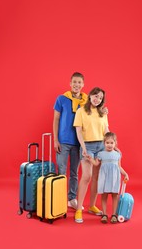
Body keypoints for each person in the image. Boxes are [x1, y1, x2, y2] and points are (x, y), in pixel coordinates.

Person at [73, 87, 109, 223]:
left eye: (100, 98)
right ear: (90, 96)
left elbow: (106, 130)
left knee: (96, 177)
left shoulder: (103, 113)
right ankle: (78, 210)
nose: (97, 99)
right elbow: (78, 131)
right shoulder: (81, 111)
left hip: (101, 145)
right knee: (86, 176)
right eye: (95, 96)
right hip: (87, 146)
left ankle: (92, 206)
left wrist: (112, 145)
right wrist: (83, 148)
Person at [53, 72, 87, 210]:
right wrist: (56, 140)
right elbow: (56, 119)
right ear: (70, 83)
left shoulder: (86, 102)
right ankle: (59, 198)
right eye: (74, 82)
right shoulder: (61, 99)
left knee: (74, 172)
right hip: (63, 141)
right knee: (61, 171)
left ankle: (71, 198)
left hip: (79, 142)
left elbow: (95, 115)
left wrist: (104, 110)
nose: (77, 85)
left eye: (79, 82)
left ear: (83, 85)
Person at [87, 132, 129, 224]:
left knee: (115, 195)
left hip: (114, 178)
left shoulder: (117, 154)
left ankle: (114, 215)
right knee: (104, 195)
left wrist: (125, 174)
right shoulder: (101, 154)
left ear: (115, 143)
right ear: (104, 143)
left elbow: (119, 167)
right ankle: (104, 214)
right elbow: (96, 164)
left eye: (111, 143)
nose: (109, 145)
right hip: (104, 177)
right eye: (107, 143)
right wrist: (90, 159)